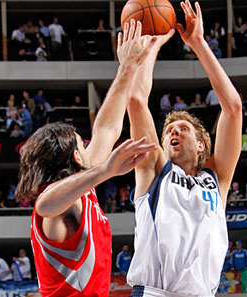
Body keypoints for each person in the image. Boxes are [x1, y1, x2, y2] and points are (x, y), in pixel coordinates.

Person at [15, 20, 158, 296]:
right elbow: (44, 205)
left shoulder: (83, 184)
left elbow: (107, 128)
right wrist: (105, 170)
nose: (89, 147)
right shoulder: (55, 208)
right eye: (82, 145)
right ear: (75, 158)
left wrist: (128, 66)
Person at [126, 1, 243, 294]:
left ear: (202, 145)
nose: (173, 132)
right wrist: (152, 45)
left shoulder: (217, 180)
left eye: (183, 129)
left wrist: (198, 43)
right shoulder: (154, 170)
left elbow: (233, 108)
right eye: (168, 131)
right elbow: (137, 101)